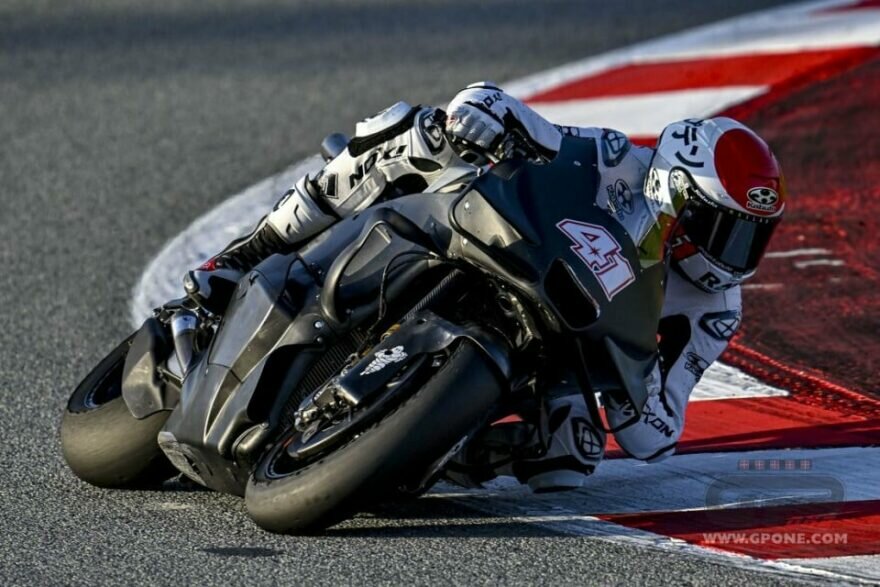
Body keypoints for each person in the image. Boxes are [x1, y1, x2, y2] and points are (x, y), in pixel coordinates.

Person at [180, 82, 787, 492]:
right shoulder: (617, 158)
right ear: (675, 191)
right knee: (417, 132)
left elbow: (655, 434)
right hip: (509, 246)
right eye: (721, 228)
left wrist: (636, 379)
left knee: (570, 458)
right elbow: (530, 124)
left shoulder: (714, 310)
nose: (731, 255)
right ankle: (250, 250)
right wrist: (484, 110)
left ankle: (421, 453)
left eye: (751, 237)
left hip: (562, 348)